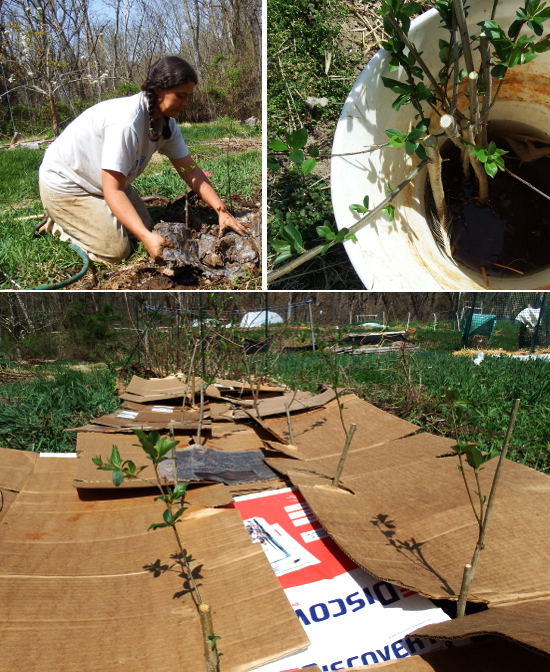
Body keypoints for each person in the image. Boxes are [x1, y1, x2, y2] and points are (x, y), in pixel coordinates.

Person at [38, 55, 250, 264]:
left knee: (147, 227)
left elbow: (190, 171)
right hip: (69, 184)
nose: (186, 103)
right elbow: (113, 190)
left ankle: (95, 217)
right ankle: (55, 224)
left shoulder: (166, 124)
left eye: (189, 96)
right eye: (180, 95)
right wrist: (145, 238)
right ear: (158, 89)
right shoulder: (126, 123)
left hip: (105, 183)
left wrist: (222, 211)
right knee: (116, 252)